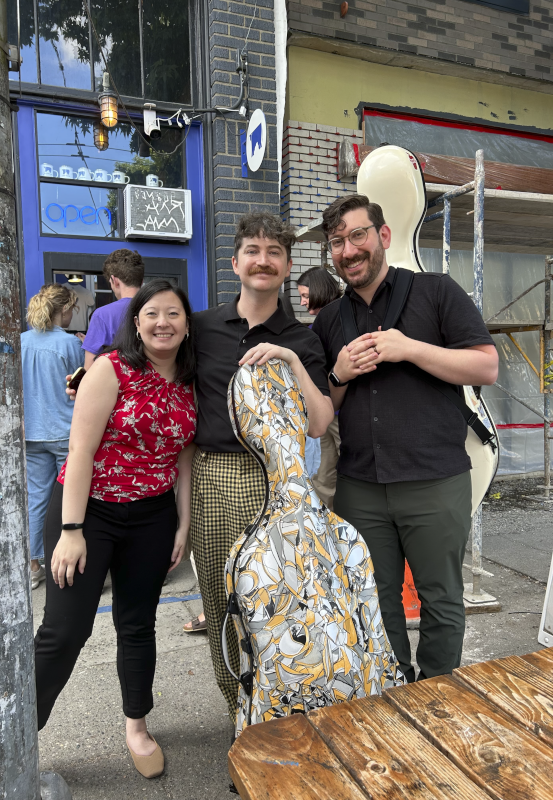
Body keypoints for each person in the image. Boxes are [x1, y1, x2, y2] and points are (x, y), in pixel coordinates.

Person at [312, 194, 498, 684]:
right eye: (337, 242)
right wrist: (339, 373)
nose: (348, 250)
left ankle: (436, 693)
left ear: (383, 236)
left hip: (434, 480)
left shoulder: (435, 292)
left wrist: (409, 348)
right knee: (374, 599)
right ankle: (393, 690)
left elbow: (486, 365)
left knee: (441, 598)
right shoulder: (330, 321)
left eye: (357, 235)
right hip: (361, 486)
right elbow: (321, 411)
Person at [34, 280, 197, 779]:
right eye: (153, 313)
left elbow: (185, 458)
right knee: (65, 629)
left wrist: (183, 525)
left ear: (187, 323)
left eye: (173, 313)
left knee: (137, 625)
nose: (163, 322)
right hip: (88, 511)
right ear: (136, 320)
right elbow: (80, 451)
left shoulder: (191, 379)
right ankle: (17, 735)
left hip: (152, 515)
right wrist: (71, 529)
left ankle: (137, 726)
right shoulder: (109, 369)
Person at [189, 212, 334, 724]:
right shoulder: (202, 327)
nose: (263, 260)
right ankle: (237, 712)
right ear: (235, 262)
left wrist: (291, 362)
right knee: (219, 599)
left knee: (278, 604)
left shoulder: (303, 338)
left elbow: (319, 423)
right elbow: (154, 365)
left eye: (274, 252)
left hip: (275, 483)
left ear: (288, 266)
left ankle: (279, 710)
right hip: (210, 479)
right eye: (253, 249)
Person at [21, 284, 83, 589]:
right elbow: (79, 387)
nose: (73, 314)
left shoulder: (19, 342)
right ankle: (68, 561)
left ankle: (34, 564)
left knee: (37, 498)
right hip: (63, 431)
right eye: (72, 308)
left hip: (31, 432)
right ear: (63, 309)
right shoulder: (69, 344)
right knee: (72, 497)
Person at [297, 267, 343, 509]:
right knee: (324, 474)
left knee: (346, 473)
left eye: (305, 296)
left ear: (319, 290)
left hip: (343, 412)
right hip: (325, 412)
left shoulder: (341, 317)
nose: (303, 303)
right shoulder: (322, 321)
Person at [82, 249, 144, 369]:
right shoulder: (158, 312)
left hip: (117, 385)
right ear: (141, 282)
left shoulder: (102, 315)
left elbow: (89, 368)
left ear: (114, 281)